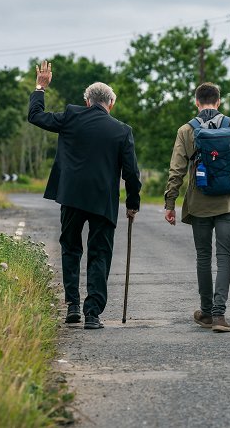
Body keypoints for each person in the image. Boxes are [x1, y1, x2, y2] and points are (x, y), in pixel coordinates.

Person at [28, 60, 141, 330]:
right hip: (103, 201)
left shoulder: (70, 116)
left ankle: (72, 306)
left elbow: (35, 116)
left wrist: (40, 87)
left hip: (72, 197)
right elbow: (132, 173)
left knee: (70, 248)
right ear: (110, 104)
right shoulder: (122, 130)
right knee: (100, 254)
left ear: (87, 101)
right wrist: (132, 204)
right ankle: (93, 314)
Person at [164, 82, 230, 333]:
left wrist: (170, 202)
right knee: (224, 257)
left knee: (203, 257)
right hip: (229, 201)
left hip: (199, 203)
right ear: (218, 102)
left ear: (196, 102)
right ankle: (220, 315)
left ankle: (206, 312)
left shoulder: (186, 130)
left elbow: (177, 170)